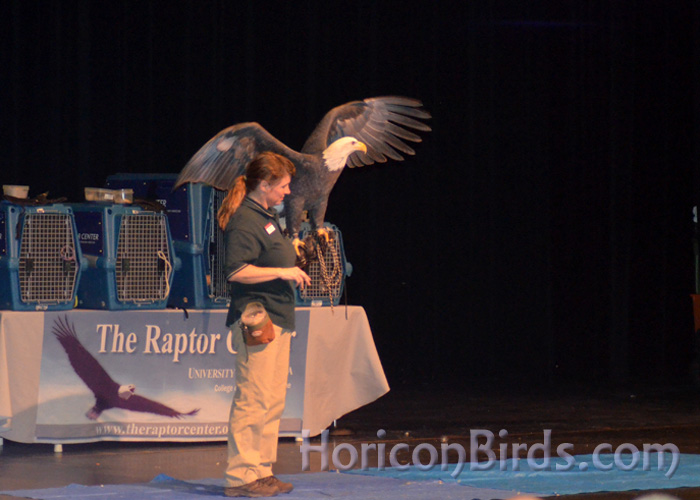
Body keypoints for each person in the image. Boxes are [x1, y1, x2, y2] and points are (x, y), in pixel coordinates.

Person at [219, 151, 311, 498]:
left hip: (278, 316)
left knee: (272, 398)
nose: (288, 192)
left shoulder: (266, 216)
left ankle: (261, 470)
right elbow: (236, 270)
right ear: (264, 185)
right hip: (258, 317)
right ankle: (240, 477)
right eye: (283, 186)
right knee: (252, 397)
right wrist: (282, 270)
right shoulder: (246, 219)